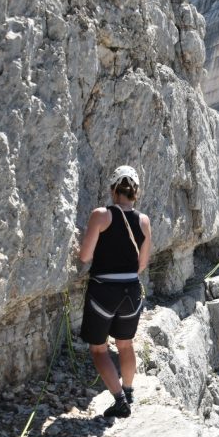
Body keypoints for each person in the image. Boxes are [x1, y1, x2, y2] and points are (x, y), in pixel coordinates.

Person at [77, 165, 152, 418]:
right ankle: (128, 391)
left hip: (104, 291)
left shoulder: (101, 215)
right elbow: (142, 264)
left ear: (113, 190)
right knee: (126, 344)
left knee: (99, 349)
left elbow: (85, 256)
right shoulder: (143, 221)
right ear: (135, 192)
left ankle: (120, 401)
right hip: (132, 290)